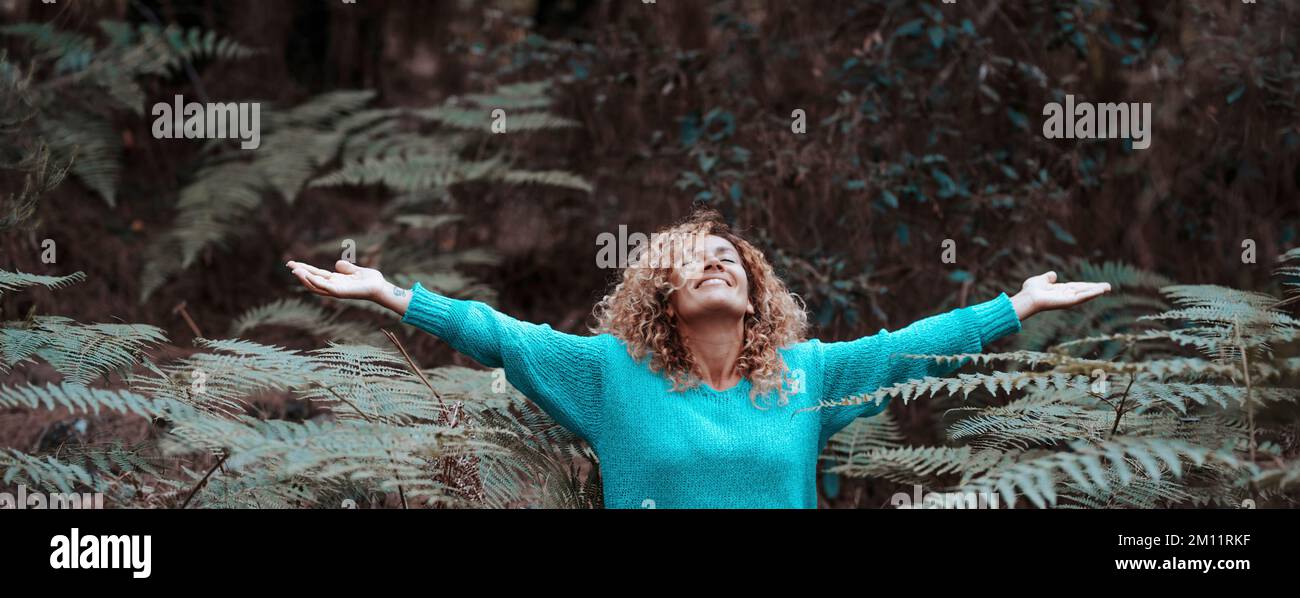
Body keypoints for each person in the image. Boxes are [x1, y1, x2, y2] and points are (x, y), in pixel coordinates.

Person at [286, 209, 1110, 508]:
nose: (715, 262)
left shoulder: (807, 376)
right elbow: (504, 334)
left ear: (754, 294)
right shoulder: (611, 375)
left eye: (729, 257)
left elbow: (903, 351)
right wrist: (396, 296)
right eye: (691, 258)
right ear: (662, 295)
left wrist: (1016, 306)